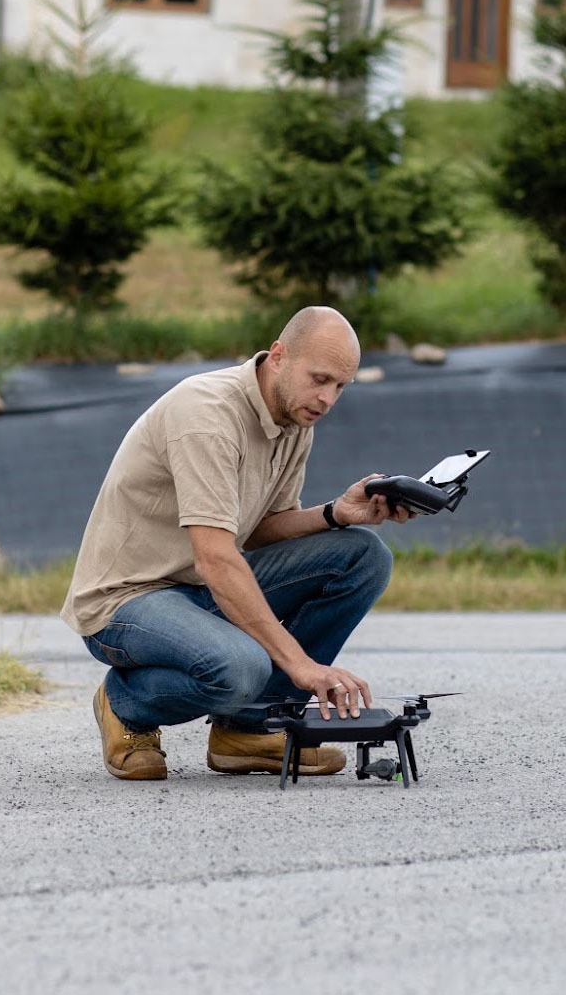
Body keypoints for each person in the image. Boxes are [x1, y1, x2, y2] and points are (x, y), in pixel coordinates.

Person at [61, 306, 412, 781]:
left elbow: (261, 528)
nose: (327, 399)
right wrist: (301, 666)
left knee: (363, 555)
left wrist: (336, 514)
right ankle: (125, 706)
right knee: (241, 667)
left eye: (340, 387)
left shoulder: (293, 419)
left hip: (198, 590)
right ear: (280, 356)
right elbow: (216, 557)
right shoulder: (207, 413)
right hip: (127, 600)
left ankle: (248, 728)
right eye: (320, 379)